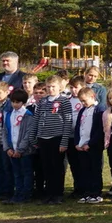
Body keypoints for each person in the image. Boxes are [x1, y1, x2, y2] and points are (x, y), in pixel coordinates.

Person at [28, 75, 74, 205]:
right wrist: (33, 136)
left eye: (53, 86)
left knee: (57, 168)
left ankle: (58, 194)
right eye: (48, 87)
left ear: (60, 87)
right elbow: (36, 120)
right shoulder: (42, 101)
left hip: (57, 138)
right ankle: (48, 194)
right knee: (46, 167)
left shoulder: (64, 101)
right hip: (43, 138)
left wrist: (64, 141)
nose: (51, 89)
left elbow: (68, 122)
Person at [73, 87, 105, 203]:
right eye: (81, 101)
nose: (83, 103)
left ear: (92, 97)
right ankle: (86, 193)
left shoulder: (100, 109)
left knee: (95, 170)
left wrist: (90, 144)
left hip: (93, 146)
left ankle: (96, 193)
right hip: (82, 146)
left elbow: (100, 130)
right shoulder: (82, 110)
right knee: (84, 170)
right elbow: (78, 127)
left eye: (84, 100)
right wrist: (77, 142)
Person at [4, 89, 36, 204]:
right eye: (13, 102)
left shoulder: (28, 115)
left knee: (26, 173)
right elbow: (5, 132)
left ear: (23, 103)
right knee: (17, 173)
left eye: (17, 102)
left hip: (25, 151)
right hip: (12, 149)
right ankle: (17, 193)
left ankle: (26, 194)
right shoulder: (8, 114)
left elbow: (28, 134)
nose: (14, 104)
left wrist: (20, 149)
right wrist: (8, 148)